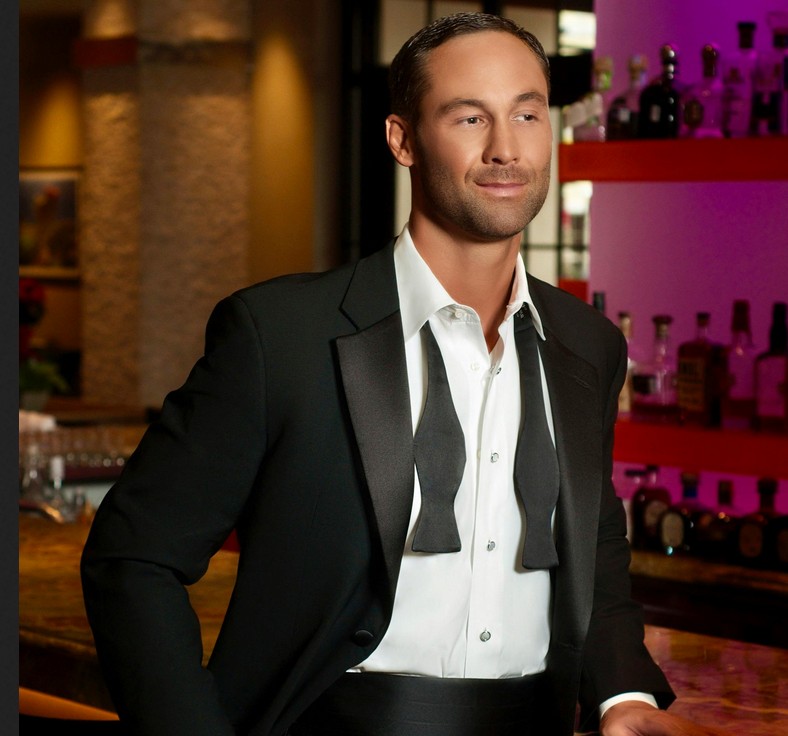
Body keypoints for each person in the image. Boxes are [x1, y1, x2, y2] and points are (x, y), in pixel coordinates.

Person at [81, 12, 732, 736]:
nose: (505, 148)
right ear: (402, 139)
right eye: (469, 118)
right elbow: (133, 557)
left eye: (527, 114)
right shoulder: (280, 336)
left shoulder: (587, 345)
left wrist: (624, 694)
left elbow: (593, 546)